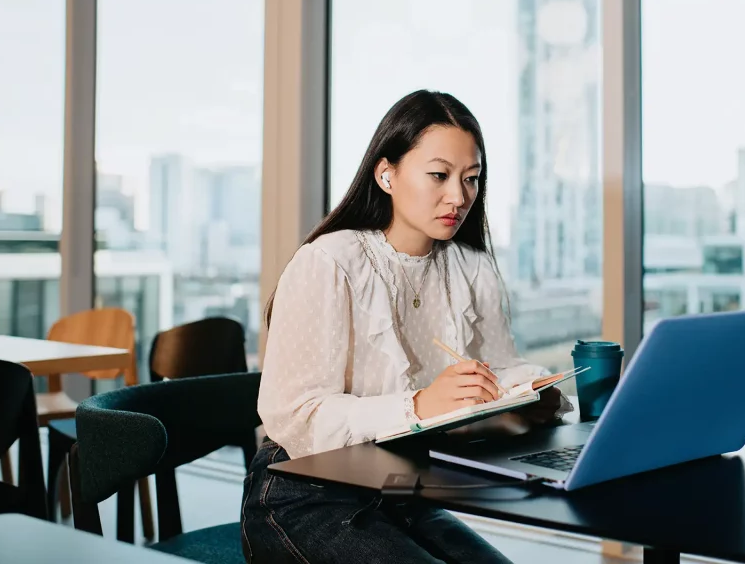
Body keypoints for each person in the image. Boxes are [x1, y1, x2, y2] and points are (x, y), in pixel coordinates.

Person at [241, 89, 570, 564]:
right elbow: (296, 415)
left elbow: (500, 369)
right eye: (439, 175)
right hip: (303, 494)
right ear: (386, 173)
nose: (459, 196)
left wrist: (533, 391)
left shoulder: (471, 267)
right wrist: (417, 404)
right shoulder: (330, 263)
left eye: (471, 179)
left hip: (399, 492)